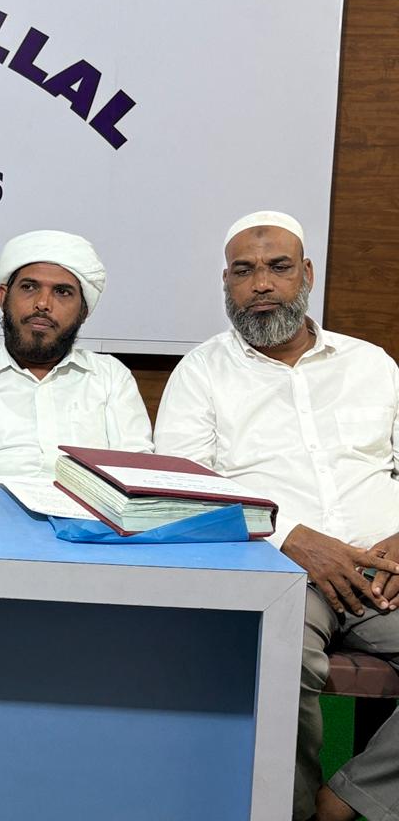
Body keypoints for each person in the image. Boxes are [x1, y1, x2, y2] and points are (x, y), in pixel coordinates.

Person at [155, 210, 399, 821]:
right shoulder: (201, 372)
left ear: (306, 274)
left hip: (384, 569)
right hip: (274, 568)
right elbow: (185, 488)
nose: (261, 283)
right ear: (226, 283)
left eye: (278, 267)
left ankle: (349, 798)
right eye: (244, 271)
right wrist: (291, 537)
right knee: (275, 667)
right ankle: (288, 811)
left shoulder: (371, 364)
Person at [0, 230, 152, 481]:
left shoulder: (111, 378)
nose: (43, 304)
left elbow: (137, 476)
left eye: (62, 292)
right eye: (29, 287)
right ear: (3, 297)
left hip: (86, 507)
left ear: (84, 311)